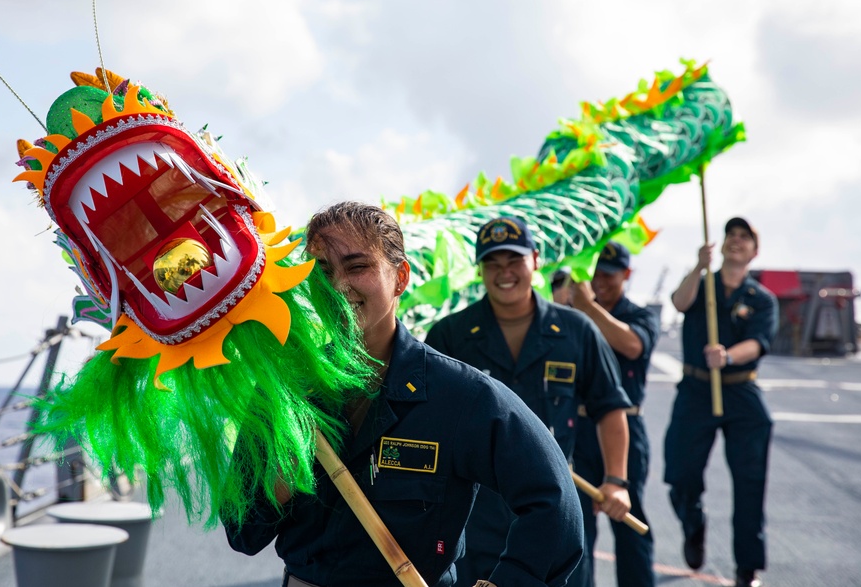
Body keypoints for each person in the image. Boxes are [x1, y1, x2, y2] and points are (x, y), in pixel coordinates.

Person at [225, 202, 584, 587]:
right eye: (322, 271)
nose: (337, 285)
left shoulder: (458, 395)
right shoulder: (286, 394)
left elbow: (554, 501)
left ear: (400, 277)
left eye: (357, 266)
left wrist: (512, 581)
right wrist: (281, 476)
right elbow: (241, 533)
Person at [424, 215, 633, 587]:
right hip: (476, 511)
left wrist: (616, 480)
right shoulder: (450, 335)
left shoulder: (576, 330)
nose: (504, 273)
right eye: (493, 264)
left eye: (514, 261)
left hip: (558, 501)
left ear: (536, 260)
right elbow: (428, 420)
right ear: (480, 270)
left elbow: (609, 408)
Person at [663, 217, 778, 587]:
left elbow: (759, 343)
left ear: (754, 251)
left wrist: (727, 356)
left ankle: (748, 567)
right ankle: (693, 524)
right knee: (680, 472)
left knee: (750, 482)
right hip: (696, 390)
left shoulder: (761, 299)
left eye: (745, 237)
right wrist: (699, 265)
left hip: (740, 389)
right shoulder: (703, 285)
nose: (737, 241)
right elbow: (679, 303)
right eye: (732, 235)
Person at [565, 242, 660, 587]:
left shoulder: (640, 315)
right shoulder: (570, 314)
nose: (600, 281)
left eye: (609, 274)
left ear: (627, 275)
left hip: (624, 431)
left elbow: (633, 345)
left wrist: (588, 307)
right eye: (595, 273)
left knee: (629, 524)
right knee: (576, 528)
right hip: (579, 429)